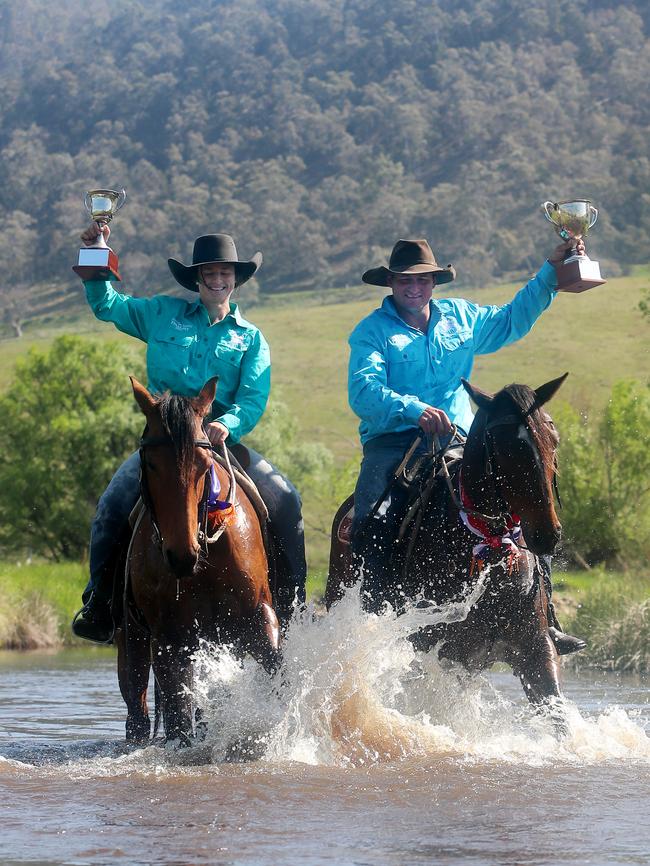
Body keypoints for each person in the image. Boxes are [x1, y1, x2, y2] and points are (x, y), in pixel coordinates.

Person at [347, 236, 585, 654]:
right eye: (405, 280)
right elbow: (363, 390)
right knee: (373, 513)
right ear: (391, 283)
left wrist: (551, 269)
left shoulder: (461, 317)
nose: (414, 287)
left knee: (522, 489)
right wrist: (412, 408)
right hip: (393, 441)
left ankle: (545, 620)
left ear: (435, 282)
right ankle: (372, 619)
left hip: (460, 437)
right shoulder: (371, 332)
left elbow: (513, 319)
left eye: (422, 279)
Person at [72, 225, 306, 642]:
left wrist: (225, 424)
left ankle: (295, 603)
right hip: (165, 443)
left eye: (225, 274)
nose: (217, 281)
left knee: (286, 500)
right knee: (111, 507)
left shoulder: (250, 338)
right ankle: (99, 603)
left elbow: (253, 399)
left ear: (236, 279)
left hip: (219, 442)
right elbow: (106, 305)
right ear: (196, 278)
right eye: (209, 273)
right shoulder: (162, 313)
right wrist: (96, 251)